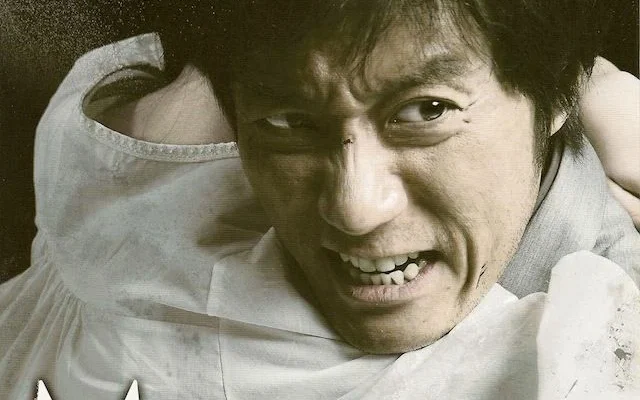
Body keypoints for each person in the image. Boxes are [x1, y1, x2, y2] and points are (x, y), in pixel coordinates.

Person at [1, 0, 639, 398]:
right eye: (288, 121)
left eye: (426, 111)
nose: (355, 210)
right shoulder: (122, 158)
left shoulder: (113, 118)